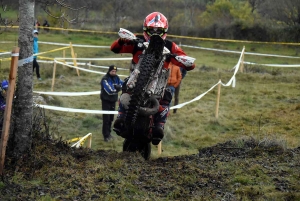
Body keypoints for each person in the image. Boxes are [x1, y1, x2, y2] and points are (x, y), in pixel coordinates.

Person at [110, 12, 195, 145]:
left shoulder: (169, 45)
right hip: (136, 77)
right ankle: (120, 117)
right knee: (126, 85)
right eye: (151, 30)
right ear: (145, 30)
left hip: (159, 80)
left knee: (167, 95)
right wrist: (122, 41)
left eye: (158, 31)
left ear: (164, 31)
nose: (155, 33)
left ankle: (159, 126)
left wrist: (184, 61)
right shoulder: (137, 41)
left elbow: (189, 63)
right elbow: (115, 49)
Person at [100, 65, 123, 142]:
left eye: (115, 71)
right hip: (106, 101)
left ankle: (109, 134)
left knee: (111, 119)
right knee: (106, 119)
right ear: (109, 71)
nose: (114, 73)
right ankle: (105, 136)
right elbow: (109, 90)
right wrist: (117, 89)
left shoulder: (117, 78)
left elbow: (123, 84)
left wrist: (120, 87)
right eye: (112, 71)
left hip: (113, 101)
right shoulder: (105, 79)